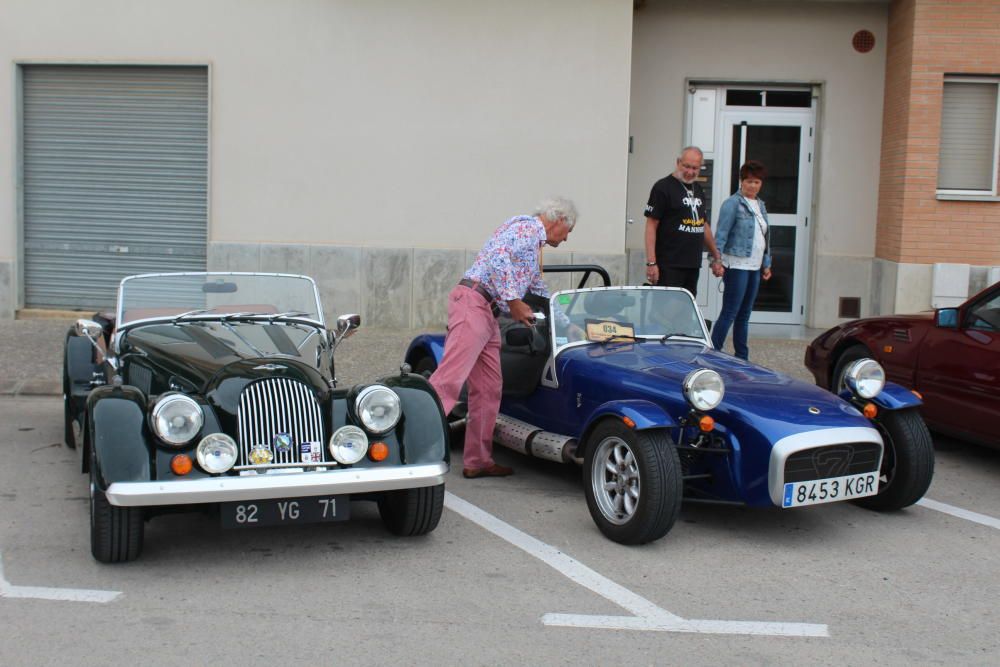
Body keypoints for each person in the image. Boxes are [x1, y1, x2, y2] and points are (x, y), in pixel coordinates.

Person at [429, 197, 577, 479]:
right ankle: (412, 450)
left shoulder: (533, 245)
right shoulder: (527, 228)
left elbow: (537, 288)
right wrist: (513, 300)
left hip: (487, 312)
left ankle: (478, 460)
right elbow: (497, 256)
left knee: (488, 389)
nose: (567, 237)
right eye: (568, 230)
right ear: (558, 220)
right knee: (448, 382)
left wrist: (569, 325)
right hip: (474, 304)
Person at [710, 160, 773, 360]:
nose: (753, 186)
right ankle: (712, 353)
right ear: (741, 181)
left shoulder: (760, 205)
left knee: (745, 315)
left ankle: (742, 358)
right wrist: (716, 260)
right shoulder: (732, 203)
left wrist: (767, 263)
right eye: (749, 181)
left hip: (755, 266)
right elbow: (720, 234)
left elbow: (765, 236)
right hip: (737, 264)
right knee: (730, 312)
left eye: (756, 182)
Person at [644, 146, 723, 296]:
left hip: (692, 263)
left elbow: (703, 224)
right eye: (686, 166)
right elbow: (651, 224)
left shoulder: (698, 189)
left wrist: (716, 257)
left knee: (685, 312)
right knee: (666, 312)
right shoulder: (663, 187)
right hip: (669, 264)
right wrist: (651, 262)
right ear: (678, 162)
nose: (690, 172)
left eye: (695, 168)